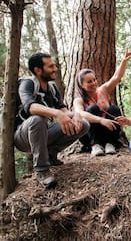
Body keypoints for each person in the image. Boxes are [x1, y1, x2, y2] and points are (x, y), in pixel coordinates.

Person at [14, 53, 90, 189]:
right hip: (23, 136)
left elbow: (64, 110)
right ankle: (42, 171)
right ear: (38, 70)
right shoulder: (27, 84)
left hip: (45, 133)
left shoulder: (52, 87)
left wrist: (76, 115)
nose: (55, 68)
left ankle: (50, 155)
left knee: (83, 124)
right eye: (50, 66)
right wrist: (56, 113)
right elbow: (30, 107)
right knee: (37, 119)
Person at [73, 49, 131, 156]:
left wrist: (124, 61)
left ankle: (110, 144)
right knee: (92, 109)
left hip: (107, 132)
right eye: (89, 81)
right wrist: (101, 120)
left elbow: (116, 77)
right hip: (90, 136)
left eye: (94, 79)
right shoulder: (79, 100)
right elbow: (80, 113)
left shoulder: (103, 90)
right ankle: (95, 145)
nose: (94, 83)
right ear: (81, 85)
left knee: (114, 109)